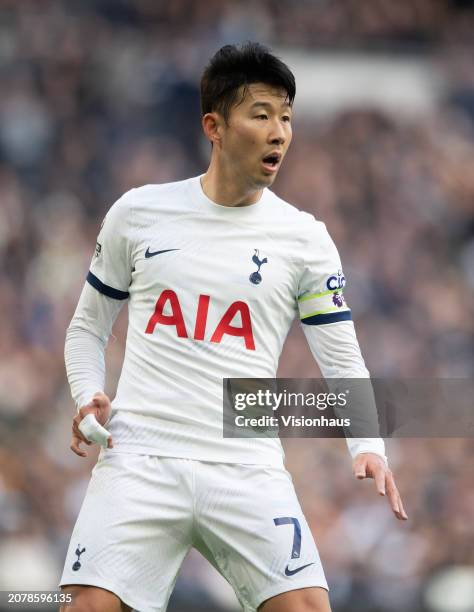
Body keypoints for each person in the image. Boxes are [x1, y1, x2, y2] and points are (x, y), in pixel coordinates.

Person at [60, 42, 407, 612]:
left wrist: (367, 444)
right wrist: (87, 395)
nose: (279, 132)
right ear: (214, 126)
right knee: (87, 606)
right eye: (262, 115)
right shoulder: (138, 213)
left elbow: (343, 361)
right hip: (140, 455)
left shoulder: (305, 239)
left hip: (246, 465)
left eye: (287, 118)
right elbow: (86, 330)